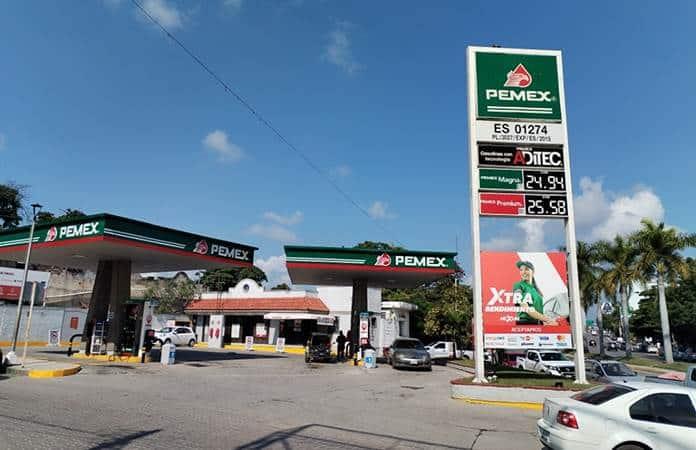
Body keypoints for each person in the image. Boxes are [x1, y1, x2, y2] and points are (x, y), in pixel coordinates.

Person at [513, 260, 558, 326]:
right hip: (525, 323)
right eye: (521, 270)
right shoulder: (518, 285)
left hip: (538, 323)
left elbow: (540, 310)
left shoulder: (536, 289)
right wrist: (548, 320)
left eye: (526, 269)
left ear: (533, 271)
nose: (523, 272)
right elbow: (527, 309)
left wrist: (546, 321)